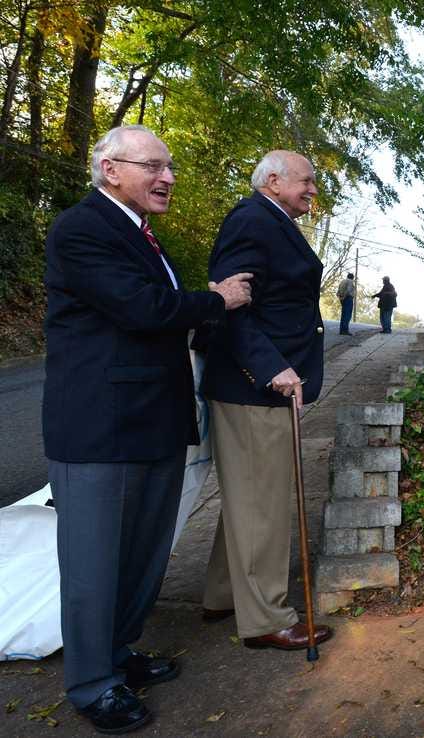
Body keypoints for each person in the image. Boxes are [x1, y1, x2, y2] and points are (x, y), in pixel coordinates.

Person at [43, 124, 252, 733]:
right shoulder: (81, 228)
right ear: (110, 169)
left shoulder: (140, 234)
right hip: (98, 430)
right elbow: (143, 310)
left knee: (142, 555)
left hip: (154, 423)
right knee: (93, 564)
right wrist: (216, 299)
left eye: (170, 166)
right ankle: (91, 684)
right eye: (153, 166)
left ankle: (118, 654)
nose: (168, 177)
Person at [198, 150, 332, 650]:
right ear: (273, 181)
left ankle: (224, 594)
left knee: (250, 497)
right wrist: (270, 366)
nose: (313, 189)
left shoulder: (269, 219)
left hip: (262, 382)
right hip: (255, 384)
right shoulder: (252, 219)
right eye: (307, 180)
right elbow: (230, 305)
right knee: (264, 502)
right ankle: (266, 619)